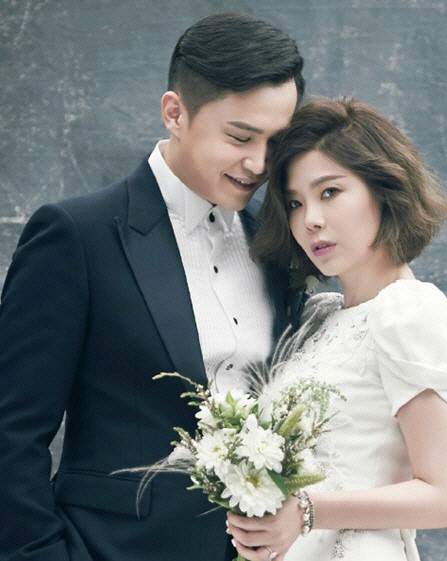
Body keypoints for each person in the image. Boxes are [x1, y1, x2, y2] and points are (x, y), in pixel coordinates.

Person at [0, 13, 304, 561]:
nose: (259, 164)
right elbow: (11, 432)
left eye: (276, 142)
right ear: (174, 113)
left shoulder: (278, 244)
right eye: (240, 137)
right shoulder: (78, 235)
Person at [226, 98, 447, 561]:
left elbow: (444, 498)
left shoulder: (407, 311)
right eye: (295, 203)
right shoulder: (319, 317)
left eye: (330, 192)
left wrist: (307, 511)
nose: (310, 220)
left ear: (383, 189)